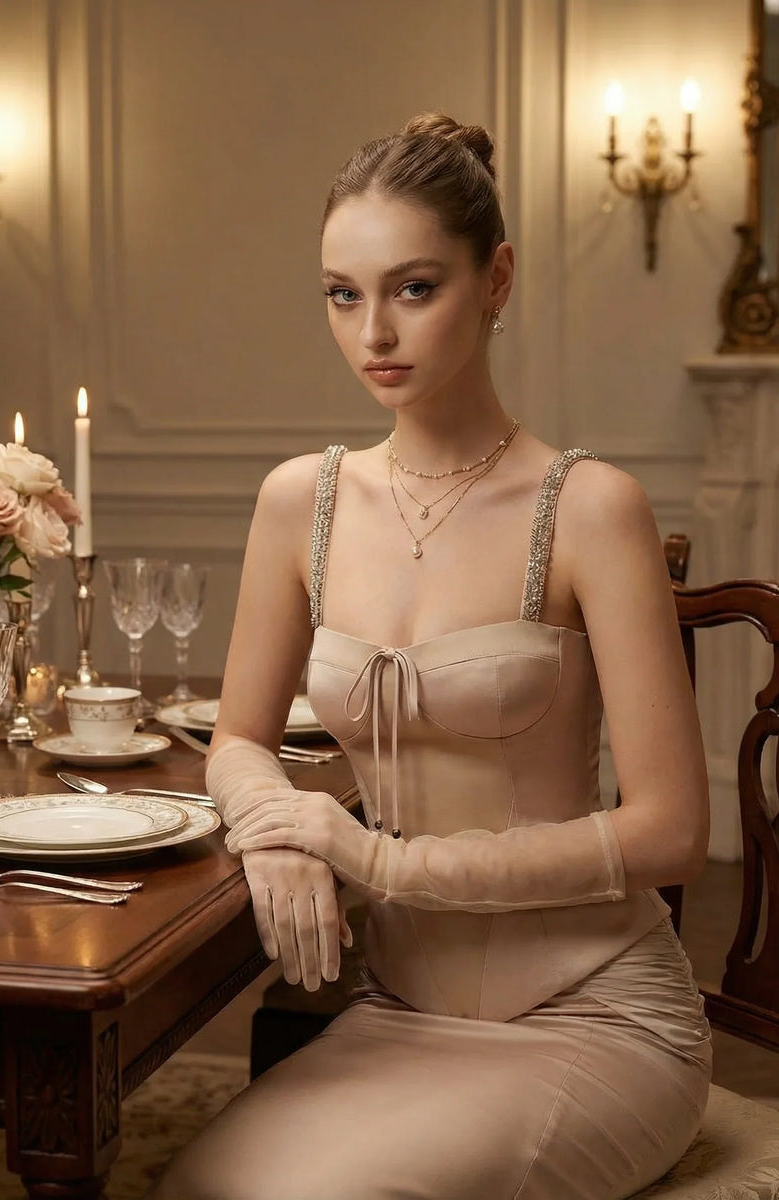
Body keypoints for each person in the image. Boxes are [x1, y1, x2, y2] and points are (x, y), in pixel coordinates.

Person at [149, 112, 711, 1200]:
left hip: (595, 1013)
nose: (374, 335)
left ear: (494, 279)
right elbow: (234, 740)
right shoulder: (297, 504)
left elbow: (672, 832)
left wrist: (378, 864)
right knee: (196, 1191)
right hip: (401, 1008)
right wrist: (273, 831)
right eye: (341, 294)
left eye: (413, 288)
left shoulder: (589, 508)